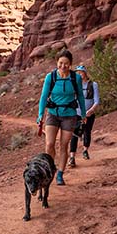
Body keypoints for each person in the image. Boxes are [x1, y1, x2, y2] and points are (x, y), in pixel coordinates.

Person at [36, 50, 86, 183]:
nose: (63, 66)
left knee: (64, 145)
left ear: (70, 64)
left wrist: (84, 113)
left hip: (69, 116)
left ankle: (60, 174)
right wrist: (40, 114)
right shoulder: (50, 77)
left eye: (66, 63)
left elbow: (80, 96)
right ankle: (49, 169)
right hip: (53, 114)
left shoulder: (76, 78)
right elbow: (43, 96)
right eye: (60, 63)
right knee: (49, 143)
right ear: (57, 63)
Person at [72, 64, 100, 160]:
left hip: (89, 114)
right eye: (78, 73)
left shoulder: (93, 85)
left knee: (87, 131)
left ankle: (85, 151)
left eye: (81, 72)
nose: (79, 74)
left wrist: (91, 110)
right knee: (74, 134)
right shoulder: (74, 86)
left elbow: (96, 100)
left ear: (85, 73)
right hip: (76, 113)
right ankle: (72, 156)